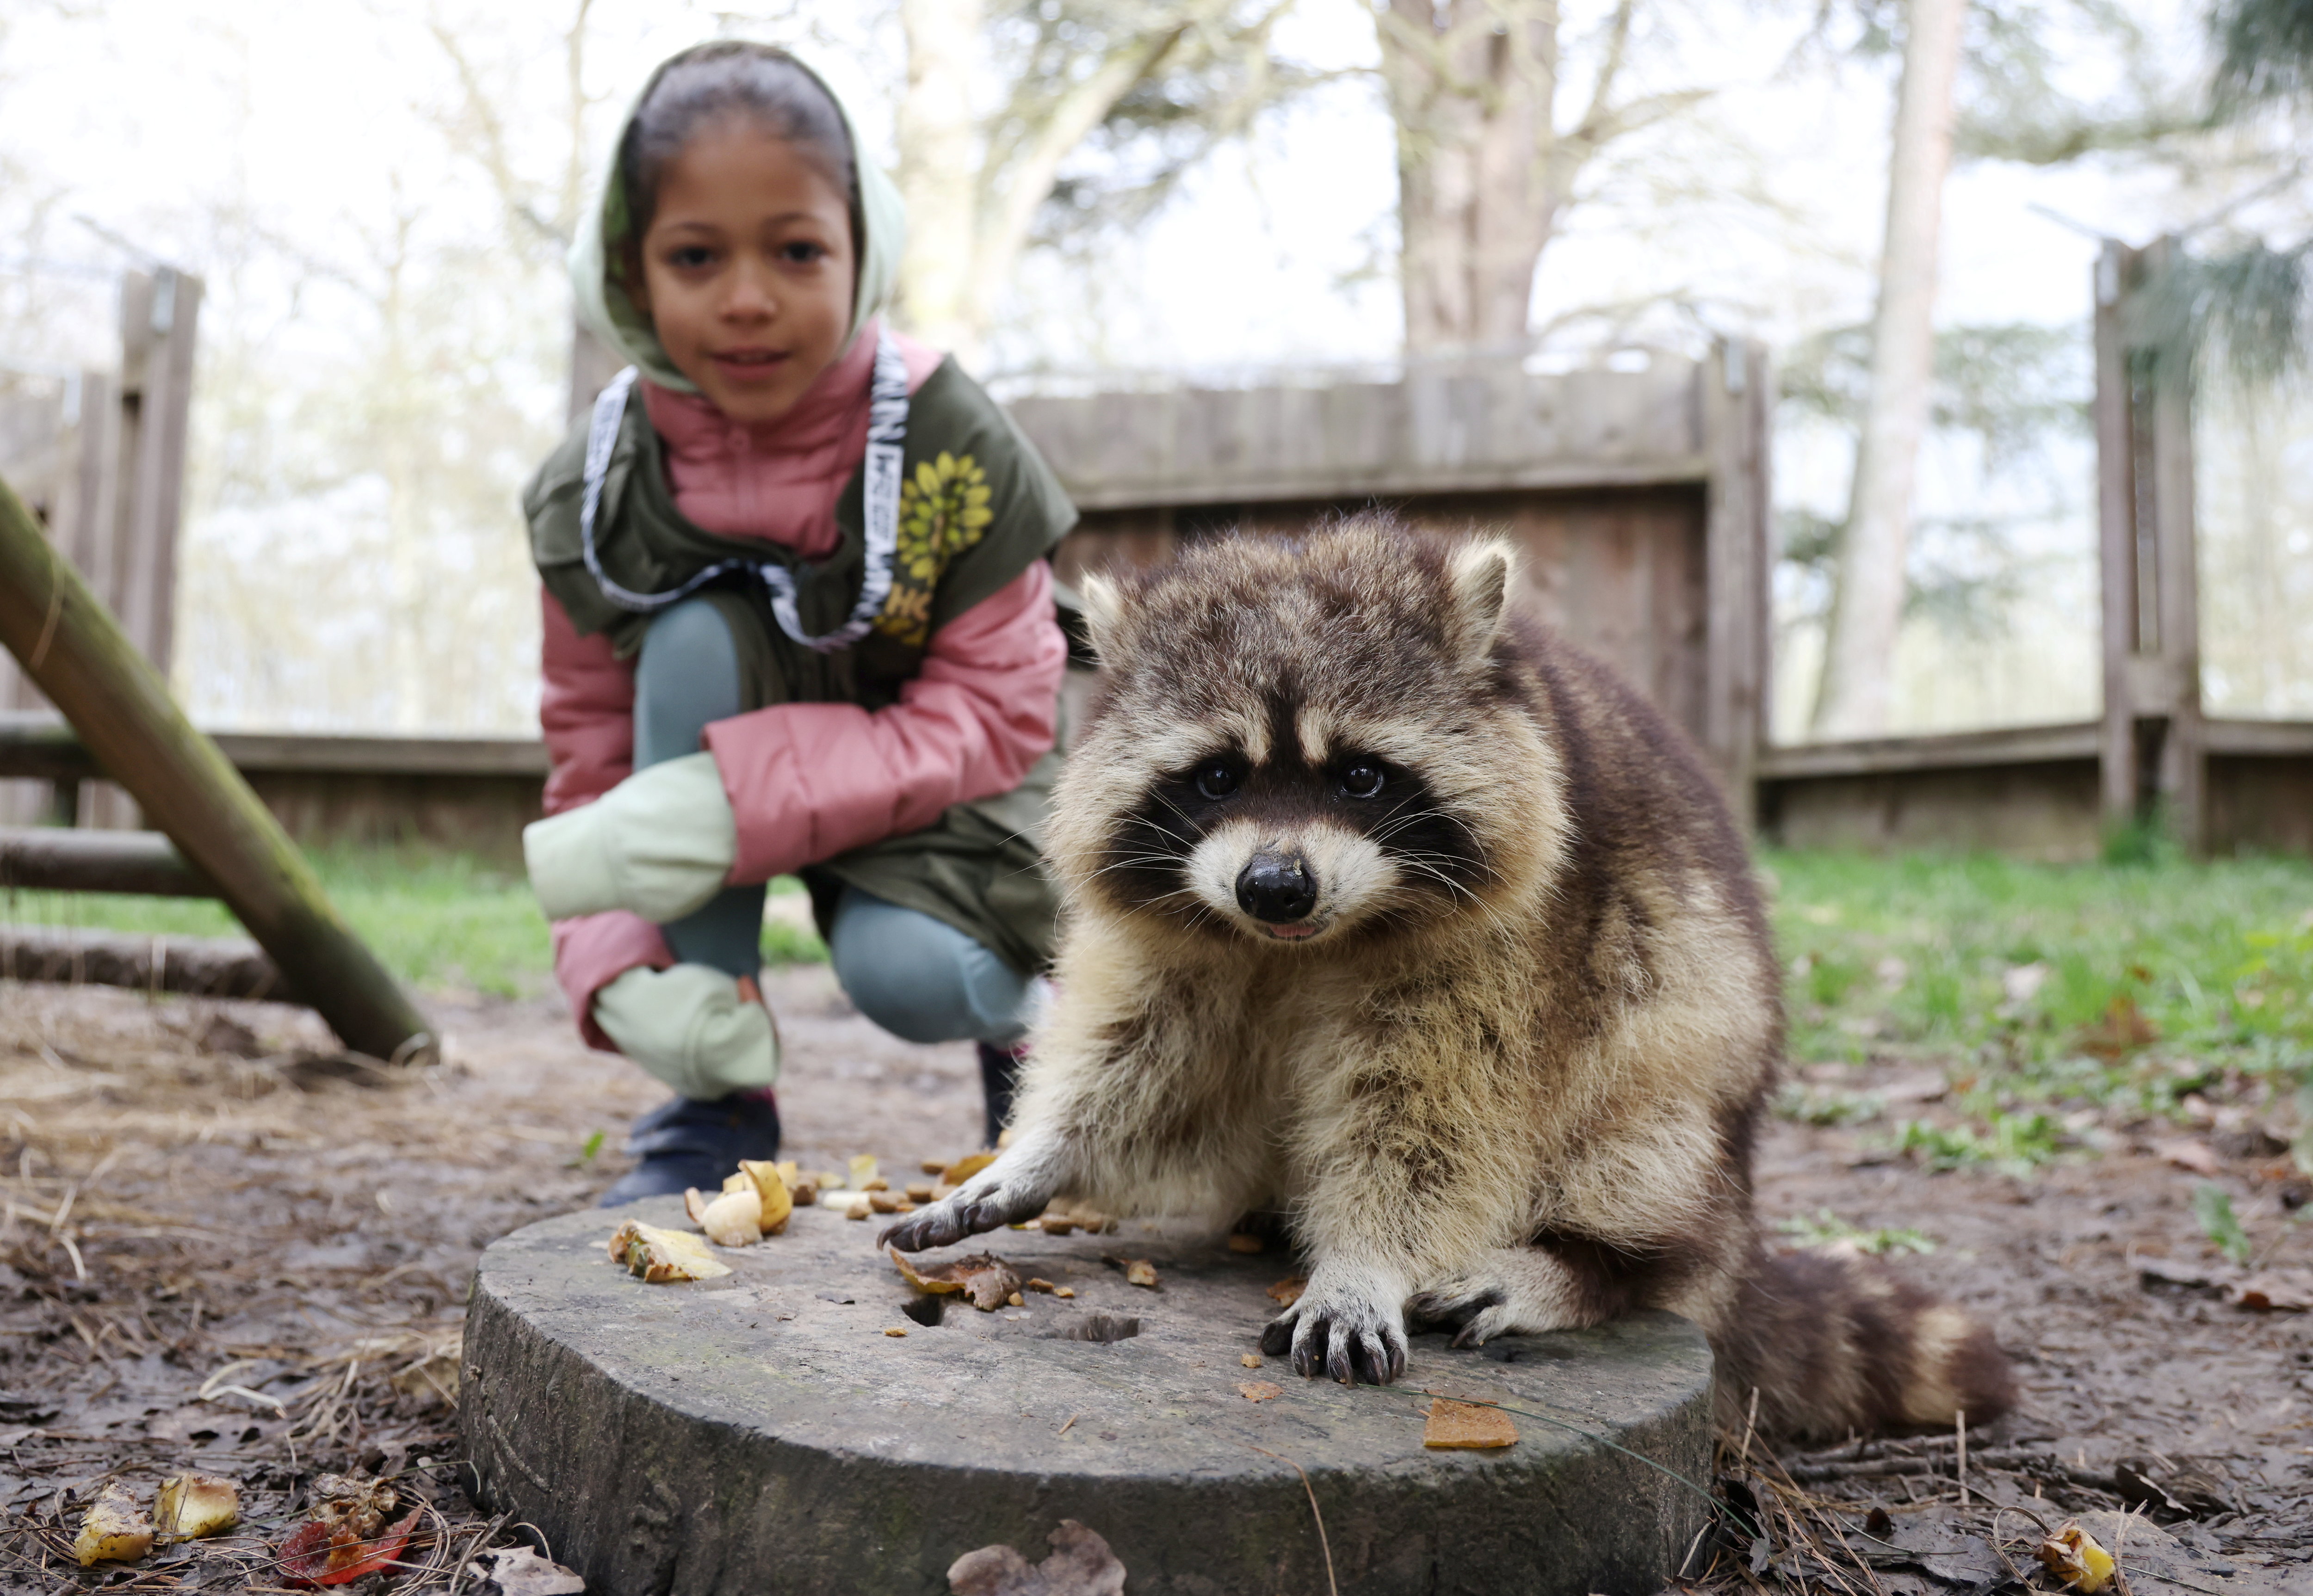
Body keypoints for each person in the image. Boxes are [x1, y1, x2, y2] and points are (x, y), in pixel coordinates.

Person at [519, 41, 1076, 1206]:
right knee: (688, 641)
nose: (748, 297)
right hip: (710, 788)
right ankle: (711, 1108)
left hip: (951, 792)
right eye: (695, 255)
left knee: (914, 972)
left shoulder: (950, 442)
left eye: (796, 249)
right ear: (630, 271)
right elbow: (594, 767)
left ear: (861, 246)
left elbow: (1002, 706)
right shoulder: (596, 492)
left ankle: (1042, 1076)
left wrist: (738, 796)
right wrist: (621, 965)